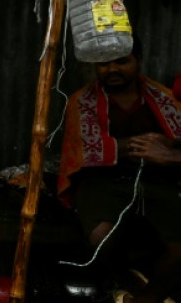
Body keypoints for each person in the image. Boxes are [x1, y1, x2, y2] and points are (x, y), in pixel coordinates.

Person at [58, 42, 181, 303]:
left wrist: (166, 151)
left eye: (122, 61)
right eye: (104, 63)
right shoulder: (81, 101)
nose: (112, 69)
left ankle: (141, 298)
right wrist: (142, 144)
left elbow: (176, 144)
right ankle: (137, 288)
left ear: (138, 60)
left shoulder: (165, 97)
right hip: (103, 181)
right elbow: (80, 150)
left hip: (158, 179)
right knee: (101, 237)